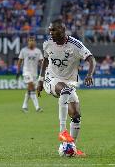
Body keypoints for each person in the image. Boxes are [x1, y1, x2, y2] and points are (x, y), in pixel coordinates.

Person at [37, 19, 96, 156]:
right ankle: (62, 131)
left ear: (63, 31)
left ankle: (71, 148)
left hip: (69, 83)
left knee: (76, 114)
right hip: (51, 79)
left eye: (54, 30)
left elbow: (91, 59)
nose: (51, 33)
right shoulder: (47, 43)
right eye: (50, 30)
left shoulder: (75, 45)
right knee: (64, 89)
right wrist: (40, 80)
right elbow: (45, 60)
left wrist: (89, 74)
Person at [17, 37, 43, 113]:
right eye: (30, 41)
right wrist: (18, 71)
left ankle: (24, 106)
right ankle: (37, 107)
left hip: (34, 73)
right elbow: (19, 61)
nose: (31, 42)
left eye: (33, 40)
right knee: (31, 86)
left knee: (30, 89)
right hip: (26, 72)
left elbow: (41, 62)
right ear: (28, 42)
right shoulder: (24, 50)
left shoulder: (38, 51)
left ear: (35, 42)